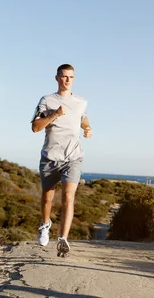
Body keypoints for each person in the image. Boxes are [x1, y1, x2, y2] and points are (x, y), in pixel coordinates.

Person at [31, 64, 92, 257]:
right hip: (50, 156)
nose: (67, 80)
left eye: (71, 77)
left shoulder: (81, 101)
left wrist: (87, 128)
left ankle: (63, 238)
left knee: (68, 197)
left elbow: (82, 117)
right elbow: (35, 127)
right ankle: (45, 224)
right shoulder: (47, 100)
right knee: (48, 196)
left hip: (73, 157)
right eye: (64, 76)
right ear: (57, 78)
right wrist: (55, 114)